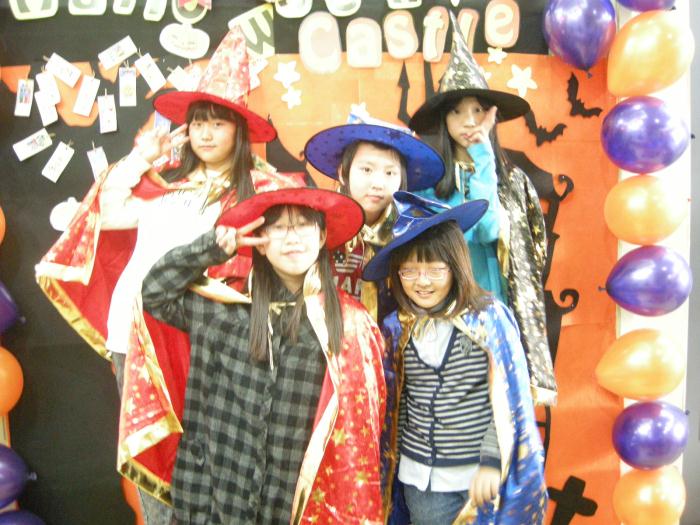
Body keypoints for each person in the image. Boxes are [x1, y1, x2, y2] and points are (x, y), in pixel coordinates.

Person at [35, 27, 302, 522]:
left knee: (208, 458)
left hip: (201, 336)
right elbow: (105, 215)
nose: (205, 133)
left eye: (218, 123)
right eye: (198, 123)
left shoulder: (260, 191)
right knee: (152, 449)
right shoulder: (165, 183)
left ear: (239, 131)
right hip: (133, 333)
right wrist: (143, 156)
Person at [141, 188, 386, 524]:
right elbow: (155, 293)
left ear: (322, 236)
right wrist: (212, 248)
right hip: (218, 502)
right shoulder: (224, 310)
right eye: (279, 228)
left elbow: (359, 439)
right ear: (259, 241)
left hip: (295, 505)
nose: (292, 238)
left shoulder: (346, 325)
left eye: (303, 226)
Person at [363, 192, 547, 525]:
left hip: (479, 478)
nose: (422, 282)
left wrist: (492, 460)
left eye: (435, 270)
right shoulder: (395, 328)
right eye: (409, 271)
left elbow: (508, 399)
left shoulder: (488, 319)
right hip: (421, 482)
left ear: (457, 267)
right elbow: (394, 407)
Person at [408, 12, 556, 406]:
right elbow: (460, 236)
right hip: (441, 313)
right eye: (457, 111)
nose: (468, 121)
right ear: (444, 119)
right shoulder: (427, 182)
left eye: (477, 111)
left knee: (494, 411)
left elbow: (489, 228)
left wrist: (483, 157)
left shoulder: (512, 181)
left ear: (491, 117)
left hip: (492, 309)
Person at [304, 112, 444, 322]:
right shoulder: (316, 229)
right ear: (343, 172)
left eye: (390, 173)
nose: (378, 183)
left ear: (402, 179)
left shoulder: (412, 233)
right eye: (367, 169)